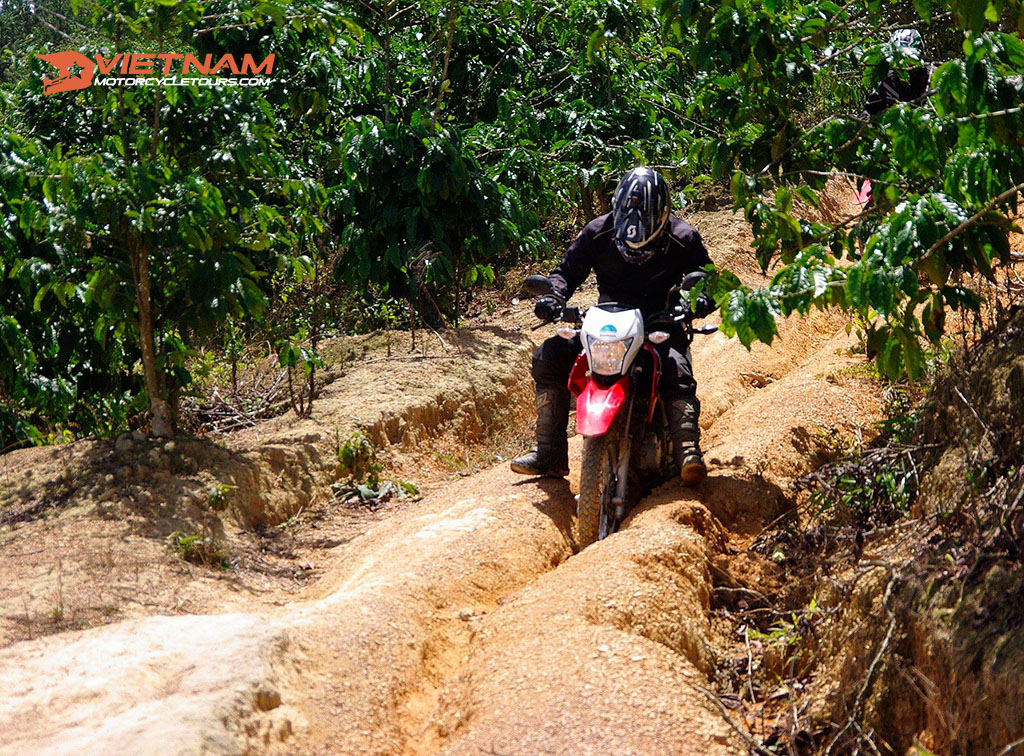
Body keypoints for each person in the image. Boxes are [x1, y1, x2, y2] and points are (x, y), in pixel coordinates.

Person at [510, 166, 714, 486]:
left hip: (660, 319)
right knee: (549, 355)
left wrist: (699, 300)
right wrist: (553, 296)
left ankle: (689, 451)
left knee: (677, 367)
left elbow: (709, 281)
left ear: (662, 218)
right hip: (608, 321)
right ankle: (549, 452)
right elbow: (566, 272)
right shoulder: (597, 231)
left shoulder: (683, 237)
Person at [860, 28, 932, 121]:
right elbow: (870, 110)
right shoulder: (887, 81)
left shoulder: (932, 77)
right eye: (899, 58)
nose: (903, 64)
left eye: (908, 58)